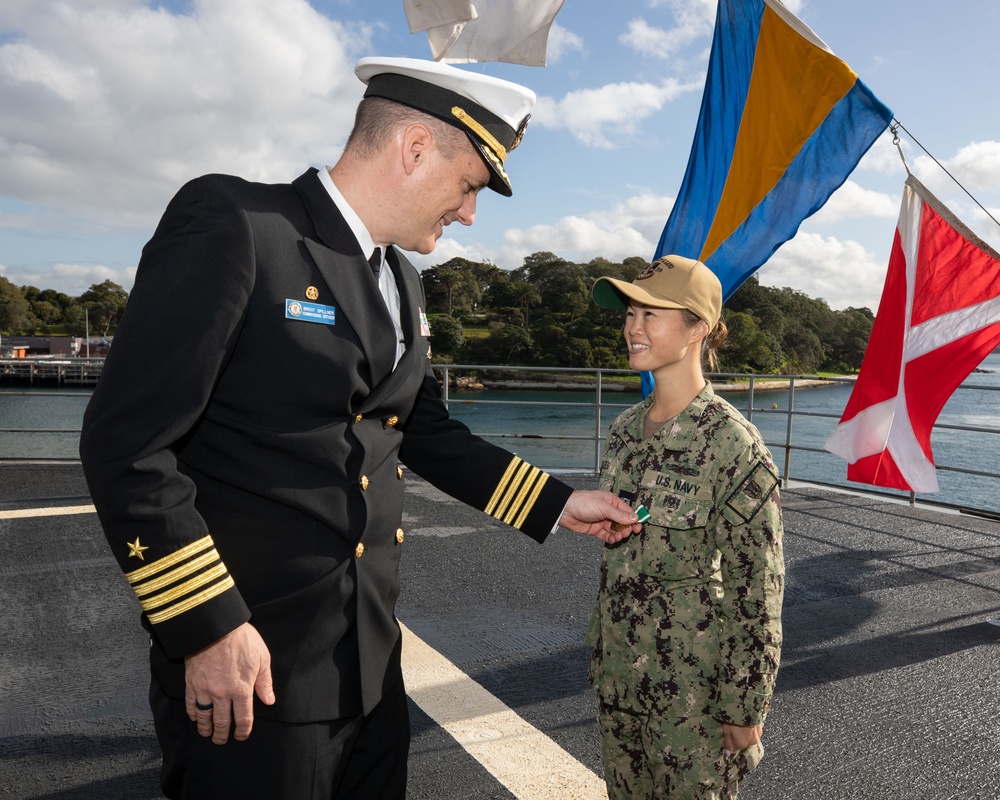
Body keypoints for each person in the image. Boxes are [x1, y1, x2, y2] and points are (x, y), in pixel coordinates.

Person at [79, 56, 640, 800]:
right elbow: (128, 447)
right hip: (251, 672)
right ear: (413, 149)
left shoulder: (401, 281)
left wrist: (558, 502)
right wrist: (206, 627)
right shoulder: (239, 225)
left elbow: (425, 429)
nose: (471, 213)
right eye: (471, 184)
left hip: (368, 668)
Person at [586, 255, 785, 800]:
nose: (632, 327)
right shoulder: (625, 430)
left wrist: (746, 706)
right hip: (621, 684)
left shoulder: (733, 446)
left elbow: (758, 590)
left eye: (651, 314)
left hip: (693, 702)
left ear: (698, 327)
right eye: (630, 313)